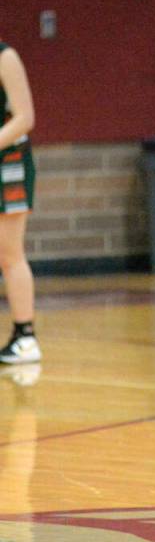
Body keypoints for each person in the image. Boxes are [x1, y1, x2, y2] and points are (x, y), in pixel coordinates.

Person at [0, 42, 39, 366]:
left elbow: (25, 118)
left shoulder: (5, 57)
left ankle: (25, 337)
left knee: (9, 253)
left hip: (8, 164)